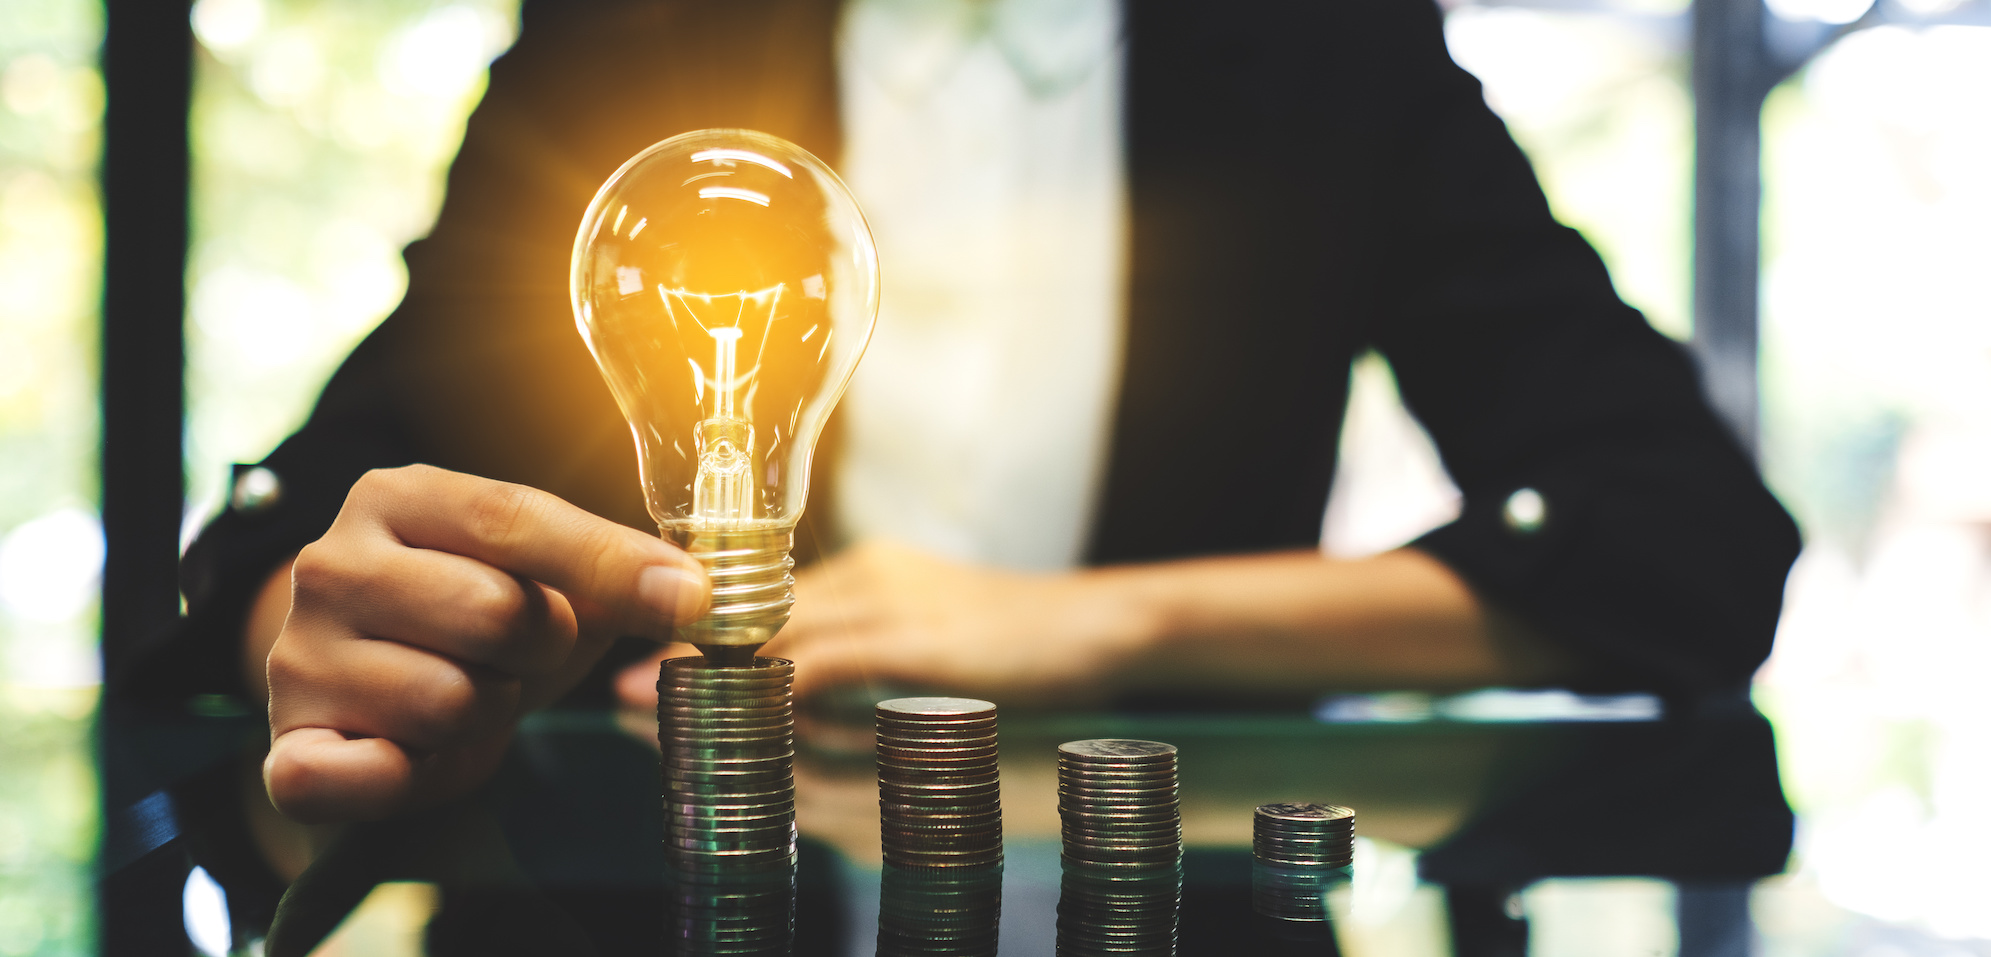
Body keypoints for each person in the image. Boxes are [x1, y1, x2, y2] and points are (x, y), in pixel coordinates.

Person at [125, 0, 1800, 825]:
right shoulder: (632, 38)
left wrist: (1094, 622)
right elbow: (309, 534)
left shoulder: (1323, 50)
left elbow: (1691, 549)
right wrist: (345, 637)